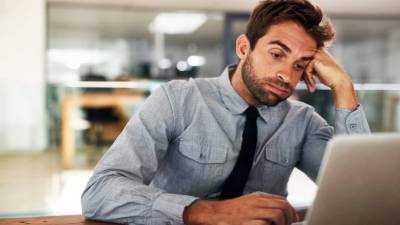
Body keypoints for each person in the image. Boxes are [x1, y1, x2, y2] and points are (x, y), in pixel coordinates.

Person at [81, 1, 370, 225]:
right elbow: (101, 191)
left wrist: (343, 86)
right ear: (244, 48)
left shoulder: (303, 122)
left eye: (300, 64)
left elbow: (361, 195)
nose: (286, 74)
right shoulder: (178, 99)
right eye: (277, 54)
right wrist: (204, 212)